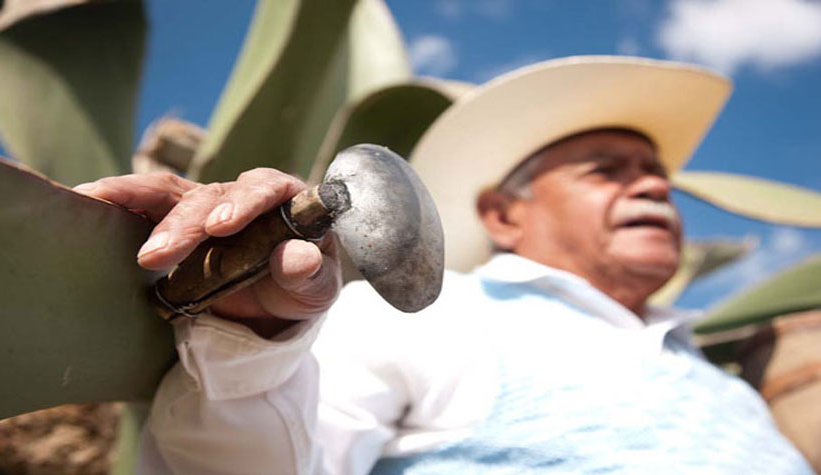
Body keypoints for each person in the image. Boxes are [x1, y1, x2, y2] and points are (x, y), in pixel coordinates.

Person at [76, 57, 812, 473]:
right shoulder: (433, 320)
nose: (653, 184)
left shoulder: (723, 384)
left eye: (657, 175)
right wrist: (253, 336)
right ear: (502, 215)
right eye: (607, 170)